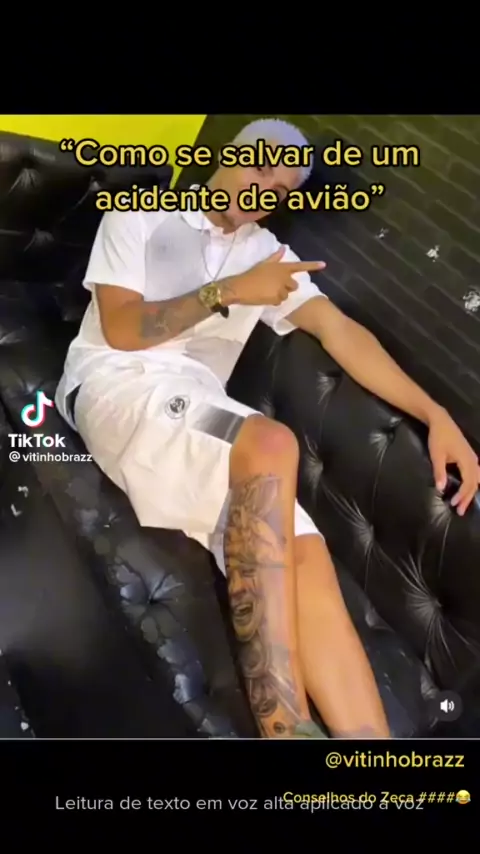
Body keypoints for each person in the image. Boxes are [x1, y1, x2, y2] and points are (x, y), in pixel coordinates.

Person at [56, 118, 480, 740]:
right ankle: (284, 729)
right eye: (257, 169)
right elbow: (122, 330)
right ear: (228, 156)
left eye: (278, 190)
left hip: (198, 415)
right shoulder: (142, 214)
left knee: (304, 547)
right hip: (117, 383)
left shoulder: (269, 257)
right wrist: (230, 291)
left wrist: (435, 413)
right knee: (270, 442)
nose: (261, 193)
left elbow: (340, 332)